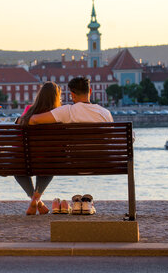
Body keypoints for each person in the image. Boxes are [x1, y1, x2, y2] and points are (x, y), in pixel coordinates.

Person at [22, 76, 113, 215]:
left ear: (72, 95)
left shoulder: (67, 111)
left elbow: (33, 120)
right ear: (90, 90)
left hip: (72, 163)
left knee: (51, 158)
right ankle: (37, 200)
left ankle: (36, 200)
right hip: (102, 162)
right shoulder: (105, 113)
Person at [15, 81, 62, 215]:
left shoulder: (28, 111)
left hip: (24, 160)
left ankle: (34, 200)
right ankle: (37, 200)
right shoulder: (57, 114)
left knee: (17, 168)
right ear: (56, 97)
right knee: (49, 163)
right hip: (47, 161)